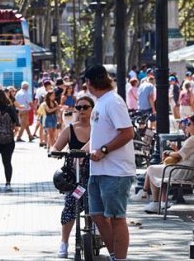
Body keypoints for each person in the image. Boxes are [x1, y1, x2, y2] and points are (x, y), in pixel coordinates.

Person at [84, 65, 135, 261]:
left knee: (116, 217)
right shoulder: (100, 102)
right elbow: (100, 134)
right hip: (98, 170)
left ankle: (119, 259)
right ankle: (114, 254)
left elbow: (128, 132)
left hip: (116, 172)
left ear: (89, 82)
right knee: (97, 215)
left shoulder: (113, 101)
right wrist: (83, 150)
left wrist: (104, 150)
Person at [50, 96, 94, 258]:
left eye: (85, 107)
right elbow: (56, 146)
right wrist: (54, 152)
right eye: (79, 107)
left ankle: (98, 234)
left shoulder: (98, 128)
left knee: (96, 205)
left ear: (92, 109)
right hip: (74, 177)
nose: (81, 110)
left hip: (93, 175)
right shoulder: (69, 129)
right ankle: (64, 242)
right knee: (70, 206)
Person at [136, 115, 194, 213]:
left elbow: (179, 155)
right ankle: (154, 198)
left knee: (151, 169)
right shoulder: (191, 139)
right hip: (183, 168)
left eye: (188, 124)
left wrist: (168, 152)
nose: (186, 126)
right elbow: (184, 154)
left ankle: (153, 200)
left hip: (182, 170)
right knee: (158, 169)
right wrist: (175, 150)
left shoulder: (192, 139)